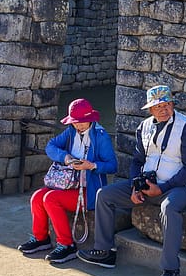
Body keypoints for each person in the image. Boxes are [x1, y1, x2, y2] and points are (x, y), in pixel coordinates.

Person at [78, 84, 186, 276]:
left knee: (169, 208)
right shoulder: (144, 127)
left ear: (172, 105)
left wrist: (162, 189)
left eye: (167, 104)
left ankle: (170, 271)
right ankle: (104, 251)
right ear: (150, 109)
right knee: (104, 195)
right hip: (146, 184)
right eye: (158, 106)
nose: (164, 109)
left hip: (178, 186)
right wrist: (135, 186)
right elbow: (137, 161)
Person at [18, 98, 117, 264]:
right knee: (37, 196)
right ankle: (41, 238)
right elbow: (51, 146)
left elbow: (112, 166)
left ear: (90, 119)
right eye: (75, 122)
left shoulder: (101, 137)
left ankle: (66, 245)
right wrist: (66, 157)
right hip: (68, 185)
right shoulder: (71, 131)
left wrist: (91, 165)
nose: (78, 126)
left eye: (81, 122)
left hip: (89, 190)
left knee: (50, 199)